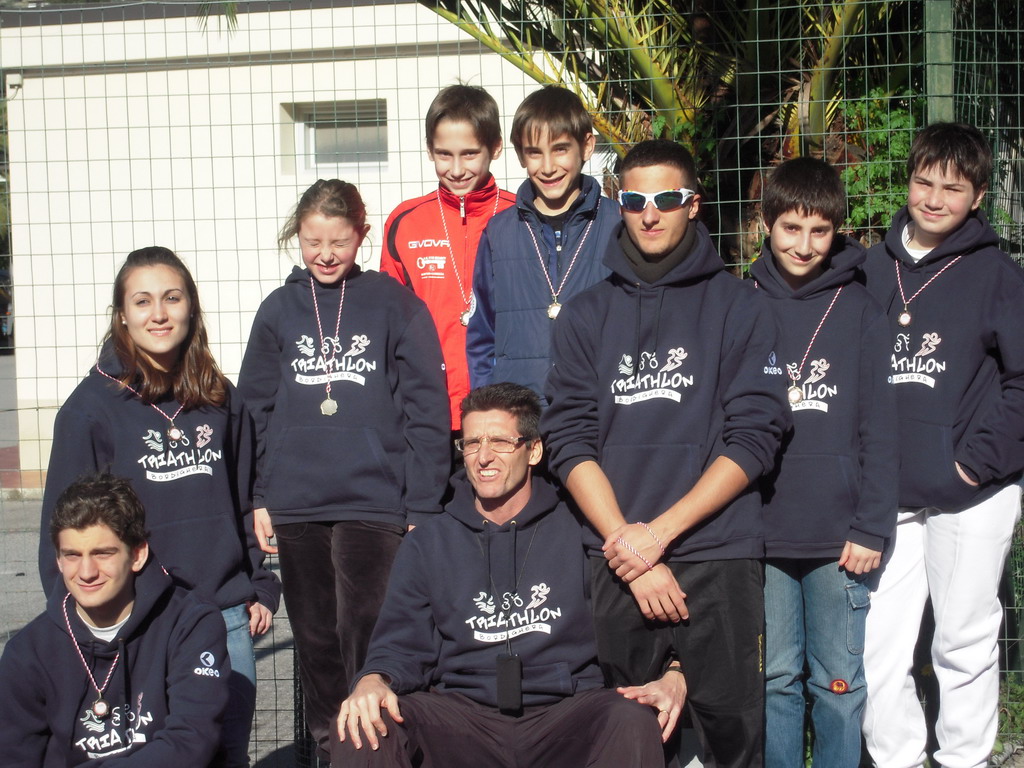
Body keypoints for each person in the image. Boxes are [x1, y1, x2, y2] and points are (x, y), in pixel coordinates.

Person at [542, 139, 789, 767]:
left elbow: (754, 437)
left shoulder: (741, 306)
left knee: (732, 739)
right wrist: (627, 544)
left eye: (667, 199)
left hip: (717, 552)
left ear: (694, 204)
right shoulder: (584, 314)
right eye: (634, 200)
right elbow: (569, 438)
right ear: (619, 205)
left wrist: (659, 535)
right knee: (623, 736)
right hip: (615, 559)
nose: (650, 214)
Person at [331, 383, 685, 768]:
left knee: (630, 720)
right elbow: (399, 643)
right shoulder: (428, 542)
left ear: (533, 451)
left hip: (568, 712)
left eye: (500, 442)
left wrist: (675, 672)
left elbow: (638, 629)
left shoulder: (581, 529)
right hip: (462, 717)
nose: (483, 457)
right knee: (363, 726)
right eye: (471, 443)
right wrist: (372, 680)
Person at [38, 246, 279, 767]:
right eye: (142, 301)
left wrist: (258, 584)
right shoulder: (89, 411)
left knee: (227, 756)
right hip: (139, 628)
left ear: (191, 306)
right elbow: (62, 536)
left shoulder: (219, 397)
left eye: (172, 298)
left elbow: (243, 499)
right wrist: (81, 633)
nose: (159, 314)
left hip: (223, 616)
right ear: (122, 314)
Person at [237, 178, 450, 760]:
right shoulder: (278, 310)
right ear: (297, 237)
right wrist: (258, 495)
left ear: (362, 234)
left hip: (373, 504)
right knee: (316, 643)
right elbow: (253, 409)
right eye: (313, 242)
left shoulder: (394, 305)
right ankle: (333, 752)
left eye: (339, 241)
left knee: (370, 634)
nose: (326, 254)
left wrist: (422, 502)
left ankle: (378, 752)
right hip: (296, 504)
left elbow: (426, 408)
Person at [859, 122, 1024, 768]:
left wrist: (974, 462)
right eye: (924, 182)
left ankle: (964, 759)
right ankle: (896, 756)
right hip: (885, 493)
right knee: (876, 644)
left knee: (962, 640)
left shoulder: (999, 275)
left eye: (953, 189)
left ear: (978, 196)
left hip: (973, 491)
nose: (933, 199)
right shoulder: (868, 268)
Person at [750, 157, 897, 767]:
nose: (804, 245)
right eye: (791, 228)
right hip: (760, 530)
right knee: (774, 682)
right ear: (766, 225)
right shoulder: (741, 302)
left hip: (839, 536)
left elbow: (880, 427)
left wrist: (872, 524)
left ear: (837, 230)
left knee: (837, 685)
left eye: (819, 230)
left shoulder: (860, 308)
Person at [4, 473, 230, 765]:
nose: (86, 572)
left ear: (137, 555)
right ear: (58, 560)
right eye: (72, 555)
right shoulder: (28, 651)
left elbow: (191, 741)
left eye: (103, 553)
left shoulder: (191, 624)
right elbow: (13, 756)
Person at [467, 85, 621, 399]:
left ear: (586, 146)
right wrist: (489, 407)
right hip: (518, 413)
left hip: (598, 409)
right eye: (535, 152)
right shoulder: (498, 233)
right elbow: (482, 335)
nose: (548, 167)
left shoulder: (618, 224)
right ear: (520, 155)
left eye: (560, 149)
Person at [379, 84, 516, 430]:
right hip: (428, 410)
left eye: (469, 154)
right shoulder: (405, 222)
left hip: (507, 410)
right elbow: (388, 322)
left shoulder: (521, 216)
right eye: (444, 154)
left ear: (495, 147)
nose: (456, 169)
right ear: (429, 150)